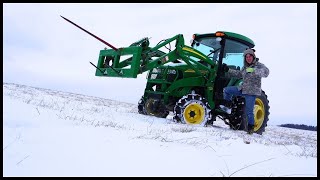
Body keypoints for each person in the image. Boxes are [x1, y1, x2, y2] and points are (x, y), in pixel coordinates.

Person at [219, 48, 270, 134]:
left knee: (249, 112)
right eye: (246, 57)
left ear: (253, 57)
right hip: (242, 89)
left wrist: (254, 70)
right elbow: (239, 74)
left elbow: (266, 72)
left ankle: (250, 128)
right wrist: (228, 70)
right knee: (227, 90)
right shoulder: (245, 67)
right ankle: (227, 108)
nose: (248, 58)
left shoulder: (259, 65)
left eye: (250, 56)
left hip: (251, 92)